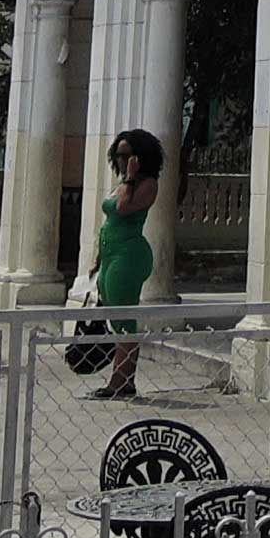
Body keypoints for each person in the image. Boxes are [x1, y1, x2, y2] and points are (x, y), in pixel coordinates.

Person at [89, 129, 161, 402]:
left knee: (124, 318)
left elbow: (122, 209)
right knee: (114, 314)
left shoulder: (146, 184)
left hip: (129, 256)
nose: (120, 160)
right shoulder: (122, 182)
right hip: (111, 254)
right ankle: (124, 379)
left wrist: (131, 176)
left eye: (126, 155)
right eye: (118, 155)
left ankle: (119, 381)